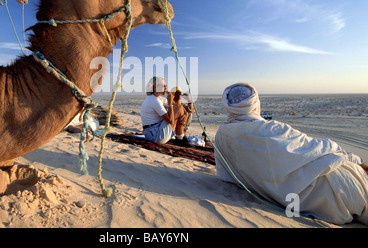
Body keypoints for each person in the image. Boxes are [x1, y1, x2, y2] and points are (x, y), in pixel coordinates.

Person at [214, 83, 368, 225]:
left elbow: (227, 176)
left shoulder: (222, 135)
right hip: (342, 183)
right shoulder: (273, 129)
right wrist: (355, 159)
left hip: (325, 203)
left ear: (229, 106)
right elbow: (319, 148)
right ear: (255, 103)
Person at [140, 77, 189, 145]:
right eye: (163, 86)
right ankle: (180, 138)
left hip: (153, 132)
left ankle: (180, 137)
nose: (165, 88)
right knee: (179, 109)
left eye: (166, 86)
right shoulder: (154, 101)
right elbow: (170, 120)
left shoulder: (157, 99)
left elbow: (177, 106)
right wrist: (170, 103)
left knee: (180, 109)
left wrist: (178, 98)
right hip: (155, 135)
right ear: (155, 87)